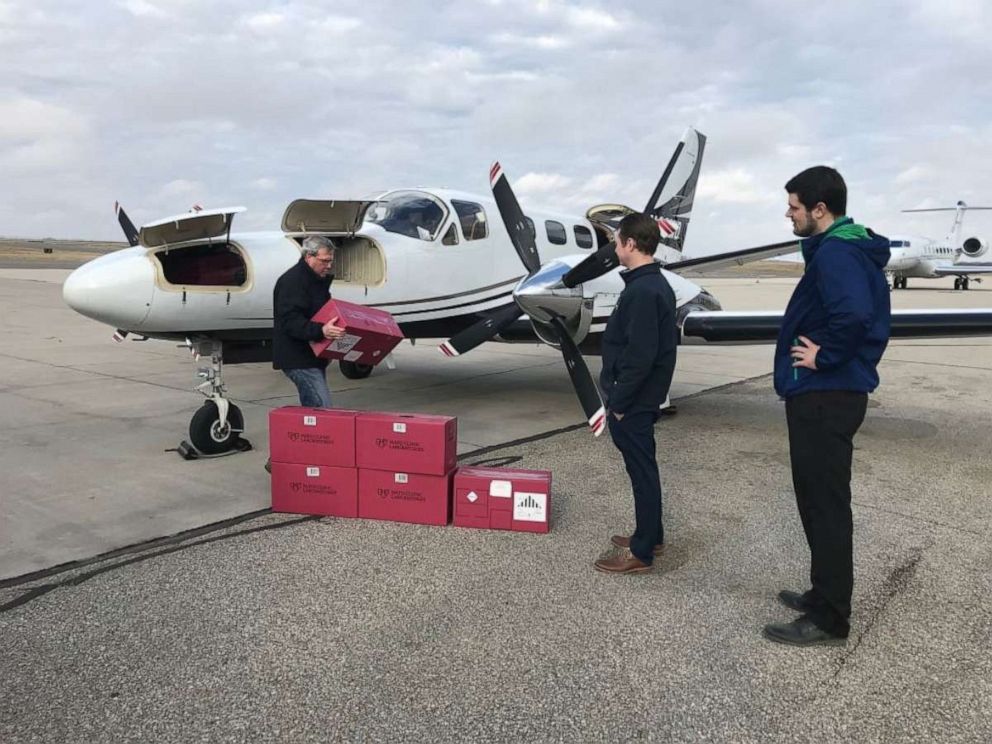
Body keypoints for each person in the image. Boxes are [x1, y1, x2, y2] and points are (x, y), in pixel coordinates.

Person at [763, 166, 891, 646]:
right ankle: (822, 594)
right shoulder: (840, 248)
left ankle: (831, 617)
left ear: (821, 209)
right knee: (817, 502)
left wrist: (826, 356)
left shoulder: (837, 252)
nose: (788, 214)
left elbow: (853, 314)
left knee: (826, 506)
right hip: (827, 394)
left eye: (794, 207)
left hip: (826, 396)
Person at [593, 213, 678, 574]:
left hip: (634, 402)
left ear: (630, 243)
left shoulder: (644, 291)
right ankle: (651, 534)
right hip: (641, 398)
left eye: (617, 240)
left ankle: (641, 552)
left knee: (642, 472)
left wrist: (621, 403)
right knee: (643, 469)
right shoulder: (648, 285)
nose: (614, 246)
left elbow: (639, 356)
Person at [272, 236, 345, 408]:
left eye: (330, 261)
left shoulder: (316, 281)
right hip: (298, 357)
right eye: (324, 261)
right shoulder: (293, 282)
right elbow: (290, 322)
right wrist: (322, 332)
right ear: (309, 257)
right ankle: (315, 434)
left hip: (312, 355)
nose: (328, 266)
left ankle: (312, 431)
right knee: (321, 407)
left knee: (316, 406)